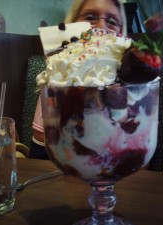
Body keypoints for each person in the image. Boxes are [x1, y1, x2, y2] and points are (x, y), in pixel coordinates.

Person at [30, 0, 128, 159]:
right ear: (72, 24)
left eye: (112, 21)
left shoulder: (135, 85)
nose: (101, 27)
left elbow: (142, 153)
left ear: (121, 31)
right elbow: (41, 144)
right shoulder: (57, 81)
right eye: (90, 17)